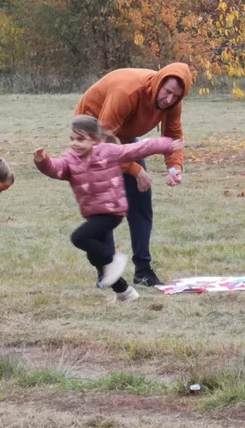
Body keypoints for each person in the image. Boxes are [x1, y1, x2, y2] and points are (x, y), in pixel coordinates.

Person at [33, 115, 185, 303]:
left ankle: (114, 261)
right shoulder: (70, 160)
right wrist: (43, 160)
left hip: (111, 210)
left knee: (79, 238)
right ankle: (125, 292)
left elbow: (139, 148)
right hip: (92, 213)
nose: (75, 144)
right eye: (72, 139)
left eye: (81, 139)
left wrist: (168, 145)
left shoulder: (108, 152)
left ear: (95, 140)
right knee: (95, 257)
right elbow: (56, 169)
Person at [74, 62, 192, 286]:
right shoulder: (127, 92)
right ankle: (106, 269)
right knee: (106, 206)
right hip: (92, 135)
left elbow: (173, 134)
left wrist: (174, 167)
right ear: (159, 83)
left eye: (175, 96)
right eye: (166, 92)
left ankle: (143, 270)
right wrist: (135, 169)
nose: (168, 99)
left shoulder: (173, 103)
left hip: (122, 136)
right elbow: (104, 142)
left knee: (140, 202)